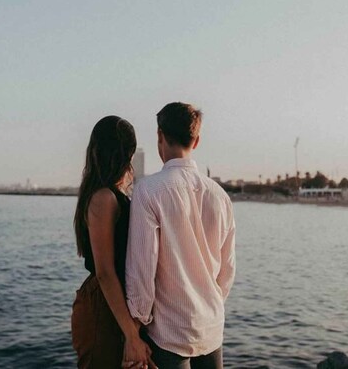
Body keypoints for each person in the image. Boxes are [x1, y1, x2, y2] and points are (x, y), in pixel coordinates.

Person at [126, 102, 236, 369]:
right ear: (196, 141)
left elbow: (142, 268)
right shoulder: (220, 196)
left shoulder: (148, 191)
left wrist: (135, 326)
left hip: (168, 331)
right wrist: (208, 304)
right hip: (210, 326)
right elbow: (228, 269)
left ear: (159, 136)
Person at [71, 116, 154, 369]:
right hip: (103, 305)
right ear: (125, 152)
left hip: (115, 303)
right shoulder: (104, 198)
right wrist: (131, 335)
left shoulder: (109, 194)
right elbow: (105, 271)